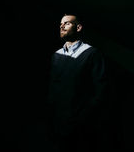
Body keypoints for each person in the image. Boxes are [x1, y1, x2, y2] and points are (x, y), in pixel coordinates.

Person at [46, 13, 109, 152]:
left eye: (67, 23)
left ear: (78, 27)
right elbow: (53, 87)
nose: (62, 26)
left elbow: (100, 89)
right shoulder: (56, 55)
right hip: (57, 124)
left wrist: (83, 117)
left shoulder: (91, 53)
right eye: (61, 24)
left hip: (79, 126)